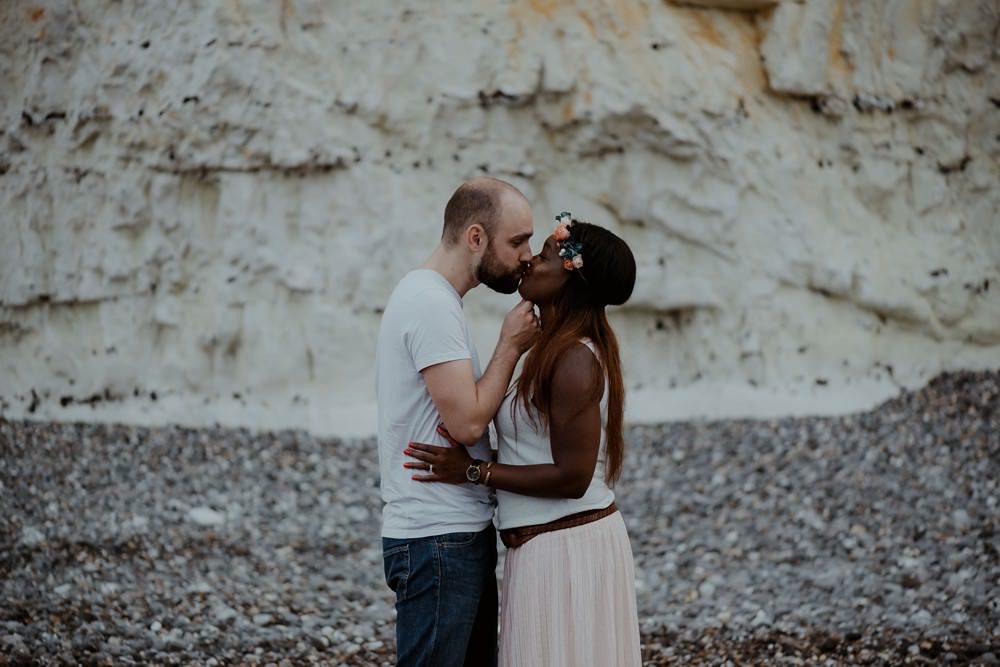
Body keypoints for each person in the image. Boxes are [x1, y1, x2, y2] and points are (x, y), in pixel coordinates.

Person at [405, 212, 641, 666]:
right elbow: (535, 449)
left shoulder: (574, 359)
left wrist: (474, 470)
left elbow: (572, 477)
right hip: (544, 548)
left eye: (548, 255)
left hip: (568, 549)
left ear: (575, 279)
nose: (530, 261)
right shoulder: (552, 349)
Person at [375, 177, 540, 667]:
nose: (527, 255)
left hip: (449, 536)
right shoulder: (429, 303)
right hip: (436, 539)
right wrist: (510, 344)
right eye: (517, 241)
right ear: (475, 238)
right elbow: (468, 423)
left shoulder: (436, 299)